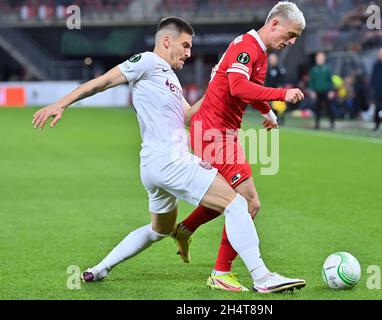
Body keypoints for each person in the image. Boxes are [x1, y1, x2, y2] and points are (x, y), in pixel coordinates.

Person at [31, 16, 306, 294]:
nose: (188, 53)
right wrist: (61, 103)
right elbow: (101, 82)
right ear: (166, 41)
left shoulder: (170, 78)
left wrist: (217, 82)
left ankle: (99, 268)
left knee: (159, 230)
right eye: (185, 46)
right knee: (238, 204)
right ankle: (260, 276)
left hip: (153, 167)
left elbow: (188, 116)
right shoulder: (147, 62)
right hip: (169, 160)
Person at [172, 2, 306, 292]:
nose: (292, 41)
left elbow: (251, 89)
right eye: (291, 34)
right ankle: (223, 272)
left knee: (229, 198)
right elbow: (238, 87)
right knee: (248, 203)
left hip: (221, 133)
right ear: (274, 24)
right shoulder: (247, 47)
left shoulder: (258, 52)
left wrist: (268, 111)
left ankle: (186, 228)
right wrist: (282, 94)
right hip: (213, 133)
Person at [308, 51, 335, 129]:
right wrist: (312, 91)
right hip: (317, 92)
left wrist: (331, 90)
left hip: (326, 91)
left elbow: (330, 80)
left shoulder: (327, 69)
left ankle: (332, 122)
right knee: (317, 108)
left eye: (321, 58)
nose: (320, 60)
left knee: (329, 107)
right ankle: (317, 124)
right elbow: (311, 81)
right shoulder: (313, 69)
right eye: (318, 58)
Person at [265, 52, 287, 125]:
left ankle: (280, 120)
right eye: (271, 59)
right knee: (271, 107)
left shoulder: (280, 68)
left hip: (278, 91)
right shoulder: (267, 69)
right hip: (270, 91)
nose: (272, 61)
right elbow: (266, 80)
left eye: (273, 59)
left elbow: (282, 79)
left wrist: (280, 87)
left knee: (280, 107)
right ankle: (273, 120)